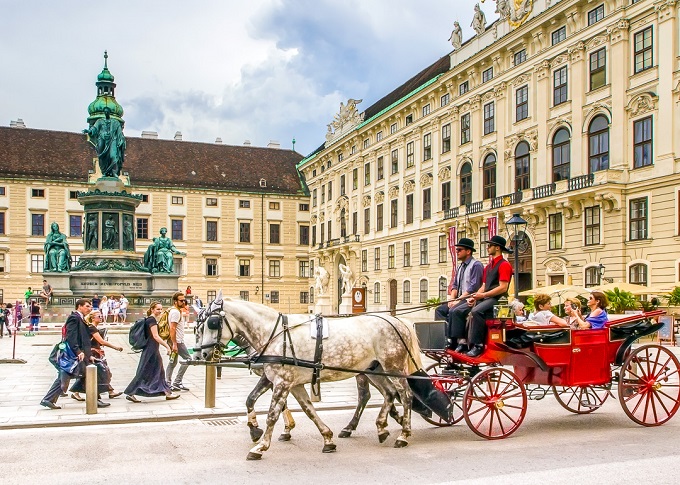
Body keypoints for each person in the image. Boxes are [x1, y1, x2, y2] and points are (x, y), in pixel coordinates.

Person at [448, 235, 513, 357]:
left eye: (490, 246)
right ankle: (459, 341)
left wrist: (483, 295)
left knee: (476, 311)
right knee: (462, 310)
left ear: (497, 248)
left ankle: (478, 345)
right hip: (487, 297)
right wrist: (475, 296)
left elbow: (503, 287)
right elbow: (483, 285)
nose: (487, 248)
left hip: (499, 299)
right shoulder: (488, 266)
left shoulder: (504, 264)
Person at [41, 299, 109, 409]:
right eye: (87, 306)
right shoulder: (74, 318)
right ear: (79, 306)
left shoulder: (80, 318)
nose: (89, 308)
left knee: (85, 375)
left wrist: (89, 354)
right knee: (69, 376)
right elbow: (71, 336)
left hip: (82, 353)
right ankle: (48, 399)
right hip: (76, 354)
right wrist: (78, 351)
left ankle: (95, 400)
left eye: (90, 306)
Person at [124, 301, 179, 402]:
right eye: (158, 309)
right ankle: (131, 392)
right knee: (146, 372)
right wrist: (167, 346)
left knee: (154, 371)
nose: (160, 311)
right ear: (152, 309)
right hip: (151, 350)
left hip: (150, 349)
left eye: (161, 309)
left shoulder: (149, 320)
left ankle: (167, 392)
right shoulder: (152, 320)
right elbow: (155, 336)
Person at [434, 238, 483, 348]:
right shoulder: (460, 266)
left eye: (460, 249)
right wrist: (452, 299)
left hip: (471, 299)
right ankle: (446, 337)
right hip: (459, 299)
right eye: (457, 250)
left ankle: (461, 341)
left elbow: (473, 287)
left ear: (468, 251)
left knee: (454, 311)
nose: (457, 252)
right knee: (440, 310)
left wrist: (458, 300)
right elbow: (455, 285)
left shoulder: (476, 265)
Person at [70, 310, 123, 402]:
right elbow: (101, 341)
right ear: (92, 318)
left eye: (101, 316)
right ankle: (109, 392)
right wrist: (116, 347)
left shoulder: (92, 327)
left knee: (96, 373)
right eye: (99, 316)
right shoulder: (92, 328)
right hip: (93, 353)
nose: (101, 317)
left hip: (94, 352)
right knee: (103, 372)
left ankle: (77, 392)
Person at [83, 106, 126, 177]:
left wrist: (121, 140)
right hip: (102, 140)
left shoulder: (115, 122)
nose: (106, 112)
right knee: (102, 158)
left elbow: (120, 133)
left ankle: (114, 172)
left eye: (107, 111)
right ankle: (104, 172)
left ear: (109, 112)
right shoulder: (99, 121)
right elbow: (94, 128)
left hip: (112, 140)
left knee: (113, 156)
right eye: (105, 111)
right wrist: (89, 131)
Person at [166, 292, 191, 391]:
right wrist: (175, 344)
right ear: (175, 302)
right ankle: (177, 382)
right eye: (181, 300)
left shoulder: (174, 310)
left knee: (172, 362)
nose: (183, 302)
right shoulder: (175, 312)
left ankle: (168, 383)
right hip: (177, 341)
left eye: (184, 300)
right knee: (188, 359)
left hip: (174, 341)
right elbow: (172, 328)